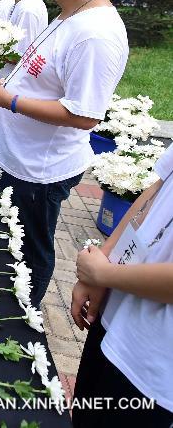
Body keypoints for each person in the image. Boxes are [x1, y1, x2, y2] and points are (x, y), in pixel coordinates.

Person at [0, 0, 129, 306]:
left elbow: (84, 114)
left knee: (30, 250)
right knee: (8, 240)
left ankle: (23, 314)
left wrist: (6, 100)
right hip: (16, 156)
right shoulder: (69, 16)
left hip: (39, 171)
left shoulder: (96, 34)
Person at [71, 143, 173, 427]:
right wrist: (104, 260)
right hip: (114, 320)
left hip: (152, 368)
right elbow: (157, 190)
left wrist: (104, 275)